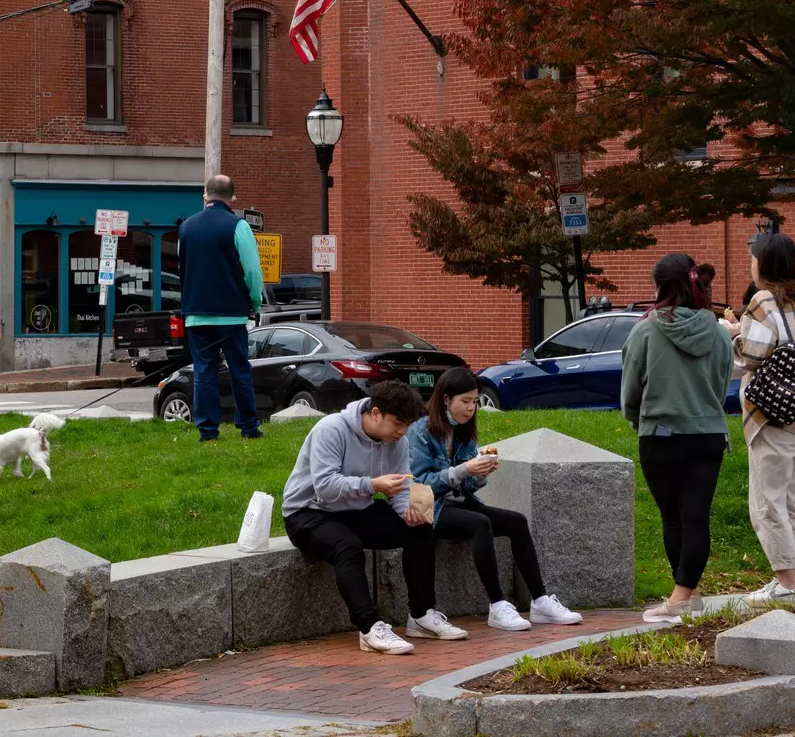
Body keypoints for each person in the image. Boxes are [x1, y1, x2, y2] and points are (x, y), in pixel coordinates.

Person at [283, 379, 455, 655]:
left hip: (355, 509)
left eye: (407, 425)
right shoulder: (331, 430)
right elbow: (325, 489)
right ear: (375, 413)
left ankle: (421, 615)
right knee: (347, 546)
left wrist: (408, 512)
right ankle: (370, 628)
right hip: (307, 513)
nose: (402, 432)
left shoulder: (396, 440)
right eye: (397, 424)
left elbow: (400, 486)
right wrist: (373, 485)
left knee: (420, 529)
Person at [409, 367, 581, 630]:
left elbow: (466, 485)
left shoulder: (464, 431)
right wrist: (464, 470)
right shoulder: (420, 432)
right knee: (480, 523)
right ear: (445, 399)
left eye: (475, 402)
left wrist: (479, 474)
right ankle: (498, 605)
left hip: (459, 504)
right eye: (465, 402)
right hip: (431, 509)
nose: (471, 409)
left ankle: (541, 601)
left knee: (516, 521)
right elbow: (421, 483)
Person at [623, 252, 735, 620]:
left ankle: (680, 598)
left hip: (661, 436)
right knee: (696, 518)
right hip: (709, 434)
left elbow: (630, 393)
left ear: (659, 286)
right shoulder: (719, 332)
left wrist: (641, 421)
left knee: (673, 519)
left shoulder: (646, 330)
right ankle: (690, 593)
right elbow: (720, 387)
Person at [177, 174, 264, 442]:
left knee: (204, 372)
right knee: (239, 369)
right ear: (232, 198)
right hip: (231, 314)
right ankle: (248, 427)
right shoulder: (238, 226)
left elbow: (183, 268)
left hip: (196, 314)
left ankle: (207, 430)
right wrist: (255, 301)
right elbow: (252, 271)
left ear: (206, 195)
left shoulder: (186, 228)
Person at [735, 232, 795, 605]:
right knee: (791, 499)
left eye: (753, 258)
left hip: (770, 415)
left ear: (766, 263)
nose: (750, 263)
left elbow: (751, 357)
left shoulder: (763, 302)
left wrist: (733, 335)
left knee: (767, 500)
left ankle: (787, 584)